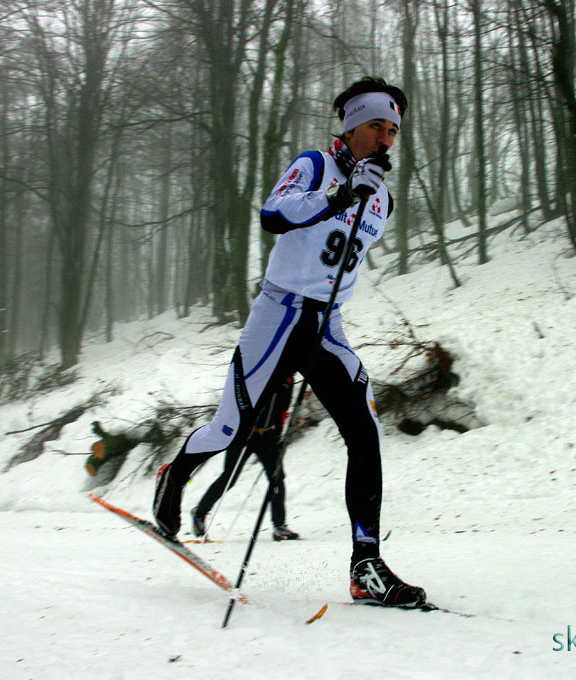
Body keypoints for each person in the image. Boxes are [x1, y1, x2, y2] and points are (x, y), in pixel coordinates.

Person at [153, 76, 426, 608]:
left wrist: (362, 194)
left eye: (393, 130)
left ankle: (366, 565)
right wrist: (340, 195)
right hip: (278, 314)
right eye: (376, 126)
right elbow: (273, 214)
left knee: (365, 430)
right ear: (351, 127)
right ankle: (175, 474)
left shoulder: (383, 199)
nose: (385, 139)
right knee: (229, 428)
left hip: (326, 326)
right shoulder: (315, 165)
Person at [190, 376, 299, 541]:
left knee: (277, 478)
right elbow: (238, 400)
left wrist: (278, 433)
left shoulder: (288, 381)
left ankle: (279, 525)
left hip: (266, 434)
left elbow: (282, 410)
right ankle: (199, 513)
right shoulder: (266, 371)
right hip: (243, 433)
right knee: (229, 477)